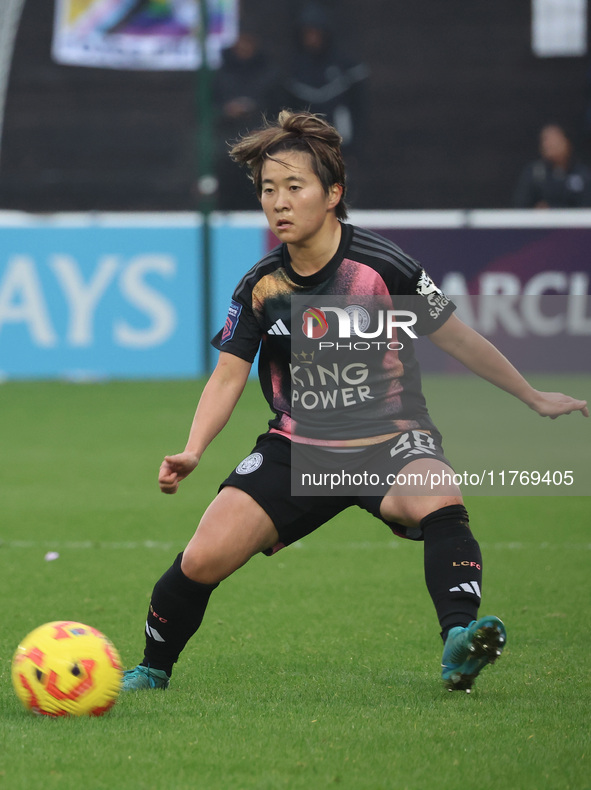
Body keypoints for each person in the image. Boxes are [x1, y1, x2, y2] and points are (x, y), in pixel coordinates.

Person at [122, 111, 588, 695]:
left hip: (391, 439)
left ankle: (459, 641)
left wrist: (532, 395)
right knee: (201, 559)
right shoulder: (261, 286)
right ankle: (151, 670)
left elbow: (458, 337)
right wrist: (193, 449)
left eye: (295, 187)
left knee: (439, 496)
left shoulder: (383, 266)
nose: (279, 203)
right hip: (298, 448)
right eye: (269, 190)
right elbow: (227, 377)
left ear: (333, 193)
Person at [213, 32, 280, 210]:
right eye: (240, 43)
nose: (244, 48)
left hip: (261, 144)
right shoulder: (221, 74)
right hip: (227, 143)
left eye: (248, 42)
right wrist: (227, 111)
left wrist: (261, 126)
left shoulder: (269, 74)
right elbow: (207, 109)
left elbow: (278, 110)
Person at [512, 124, 591, 208]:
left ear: (567, 142)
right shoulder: (534, 173)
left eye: (554, 140)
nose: (549, 145)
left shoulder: (582, 173)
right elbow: (520, 205)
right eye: (545, 140)